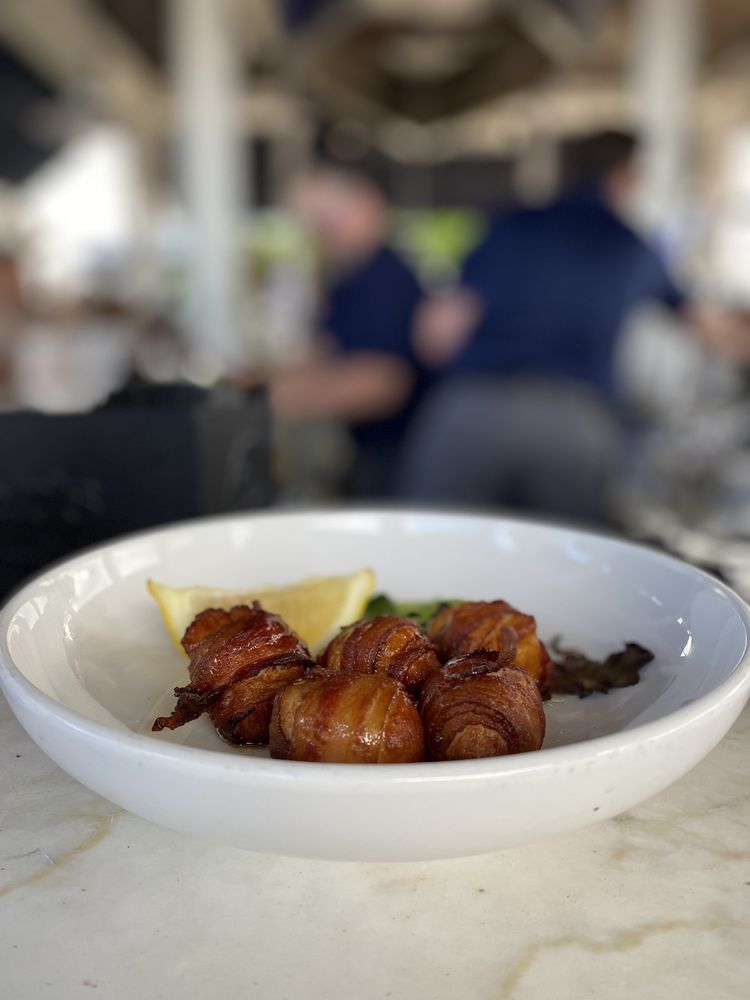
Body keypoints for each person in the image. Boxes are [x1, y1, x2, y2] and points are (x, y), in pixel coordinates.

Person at [396, 130, 743, 523]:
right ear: (624, 175)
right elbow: (705, 324)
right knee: (568, 555)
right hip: (574, 423)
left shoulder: (512, 224)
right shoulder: (628, 244)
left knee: (431, 541)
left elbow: (438, 329)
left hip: (473, 408)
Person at [269, 164, 425, 497]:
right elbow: (324, 351)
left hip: (400, 458)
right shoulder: (348, 279)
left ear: (368, 204)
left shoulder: (384, 278)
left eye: (328, 217)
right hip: (369, 454)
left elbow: (383, 384)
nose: (320, 232)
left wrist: (277, 401)